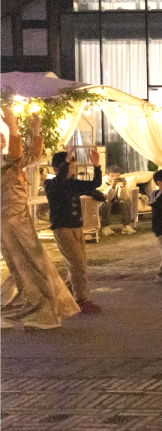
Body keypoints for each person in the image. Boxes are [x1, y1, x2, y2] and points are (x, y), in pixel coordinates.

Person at [0, 107, 80, 329]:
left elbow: (31, 156)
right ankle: (38, 310)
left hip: (17, 217)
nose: (2, 138)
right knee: (26, 261)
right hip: (8, 219)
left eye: (3, 136)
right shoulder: (6, 162)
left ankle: (41, 309)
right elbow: (16, 156)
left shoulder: (7, 160)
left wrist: (35, 131)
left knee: (30, 261)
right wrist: (13, 128)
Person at [44, 147, 105, 314]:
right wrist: (66, 162)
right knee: (77, 265)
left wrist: (97, 166)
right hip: (62, 228)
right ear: (56, 168)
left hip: (76, 227)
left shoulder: (73, 184)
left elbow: (95, 184)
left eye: (73, 166)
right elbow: (60, 181)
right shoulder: (51, 184)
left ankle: (67, 295)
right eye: (69, 166)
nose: (72, 169)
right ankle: (81, 299)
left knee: (79, 264)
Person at [99, 165, 137, 235]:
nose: (115, 178)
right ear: (107, 175)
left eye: (117, 175)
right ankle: (105, 228)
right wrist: (112, 186)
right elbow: (104, 197)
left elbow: (125, 197)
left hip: (116, 204)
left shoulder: (121, 181)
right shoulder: (101, 182)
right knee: (106, 202)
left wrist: (123, 186)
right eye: (112, 176)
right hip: (105, 205)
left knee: (124, 202)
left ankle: (126, 226)